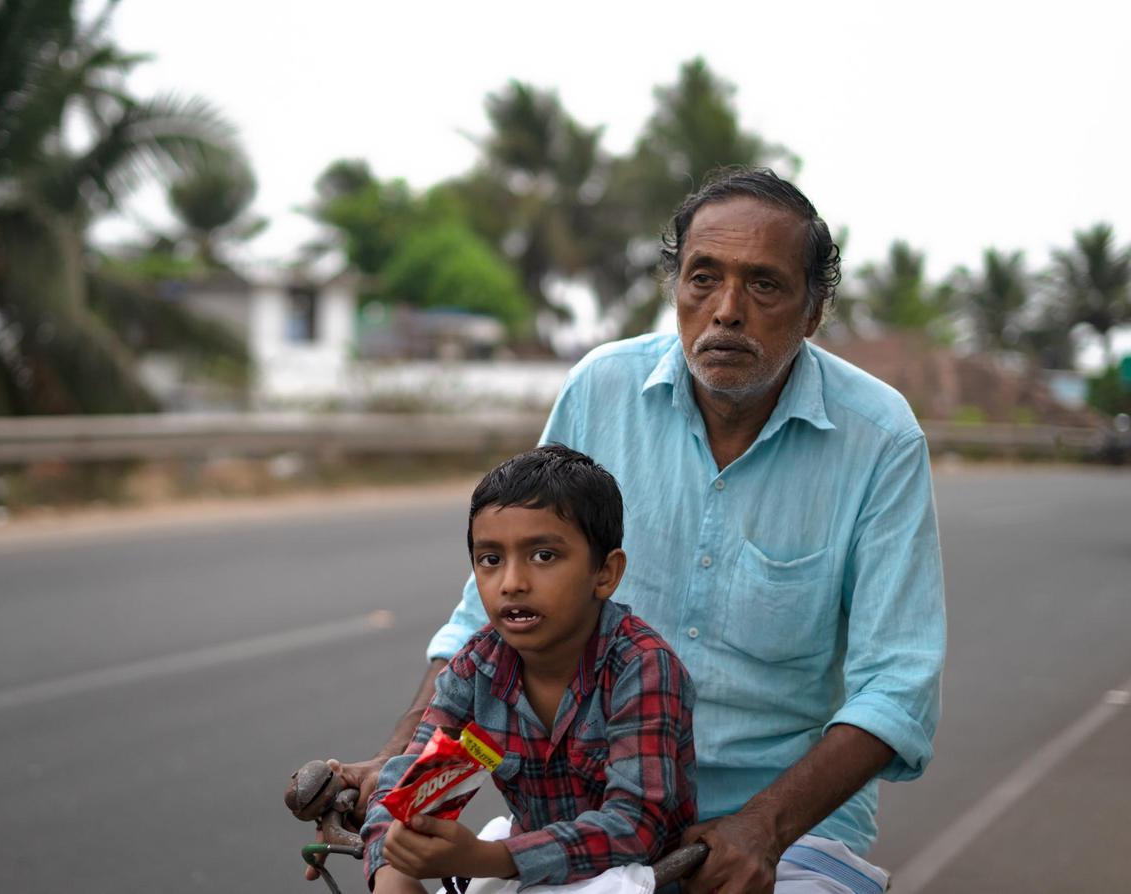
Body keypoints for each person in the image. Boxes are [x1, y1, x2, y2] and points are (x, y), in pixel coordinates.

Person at [324, 167, 946, 894]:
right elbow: (488, 625)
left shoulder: (879, 438)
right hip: (581, 823)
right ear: (674, 286)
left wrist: (763, 829)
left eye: (765, 286)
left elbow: (897, 686)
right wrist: (396, 764)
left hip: (785, 834)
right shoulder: (600, 390)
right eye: (703, 278)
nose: (727, 311)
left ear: (814, 311)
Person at [362, 445, 698, 893]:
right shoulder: (477, 668)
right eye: (491, 559)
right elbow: (408, 781)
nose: (512, 582)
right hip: (530, 875)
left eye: (543, 556)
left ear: (606, 572)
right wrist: (393, 867)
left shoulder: (642, 666)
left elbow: (635, 826)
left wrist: (490, 857)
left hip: (640, 880)